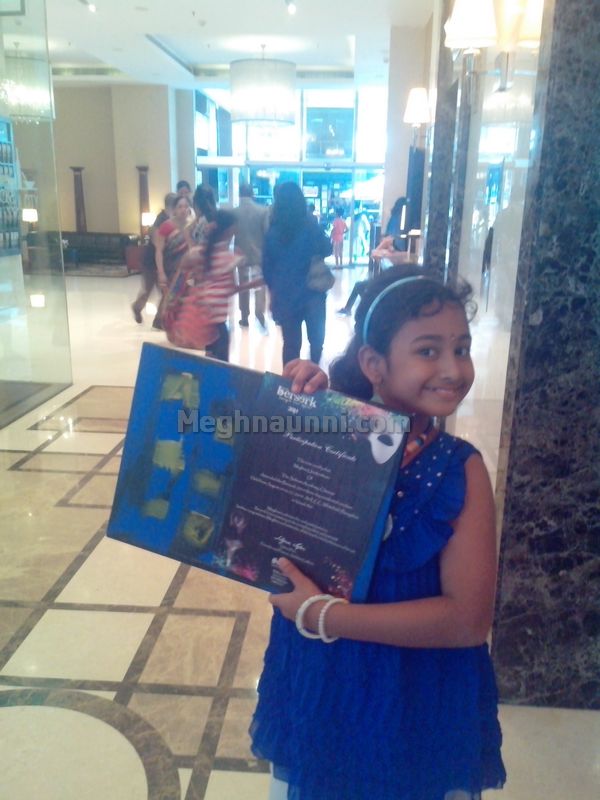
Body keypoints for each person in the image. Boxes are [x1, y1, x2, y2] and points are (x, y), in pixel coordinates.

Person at [250, 265, 506, 800]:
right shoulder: (333, 434)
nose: (453, 369)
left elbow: (467, 621)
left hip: (416, 695)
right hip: (328, 680)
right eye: (428, 350)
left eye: (462, 349)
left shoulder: (460, 470)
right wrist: (307, 407)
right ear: (373, 364)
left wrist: (323, 615)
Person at [262, 182, 332, 366]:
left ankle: (289, 380)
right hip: (312, 292)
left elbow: (267, 270)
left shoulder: (273, 232)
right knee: (316, 342)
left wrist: (273, 294)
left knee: (291, 345)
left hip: (286, 296)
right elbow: (327, 248)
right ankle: (313, 374)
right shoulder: (310, 225)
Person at [131, 193, 174, 327]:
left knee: (164, 292)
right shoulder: (160, 221)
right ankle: (137, 307)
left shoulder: (169, 220)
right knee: (148, 291)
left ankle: (158, 320)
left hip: (159, 262)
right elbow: (157, 245)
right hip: (151, 263)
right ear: (170, 206)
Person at [233, 183, 268, 330]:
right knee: (259, 285)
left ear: (239, 194)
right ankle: (259, 312)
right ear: (252, 193)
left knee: (243, 286)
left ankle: (244, 316)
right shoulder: (262, 211)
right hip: (258, 255)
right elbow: (266, 233)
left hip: (240, 255)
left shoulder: (234, 212)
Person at [155, 194, 192, 291]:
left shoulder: (192, 226)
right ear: (174, 210)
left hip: (186, 271)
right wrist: (161, 273)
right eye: (180, 207)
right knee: (169, 299)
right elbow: (159, 251)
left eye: (186, 206)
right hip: (169, 270)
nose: (183, 209)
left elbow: (192, 249)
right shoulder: (166, 226)